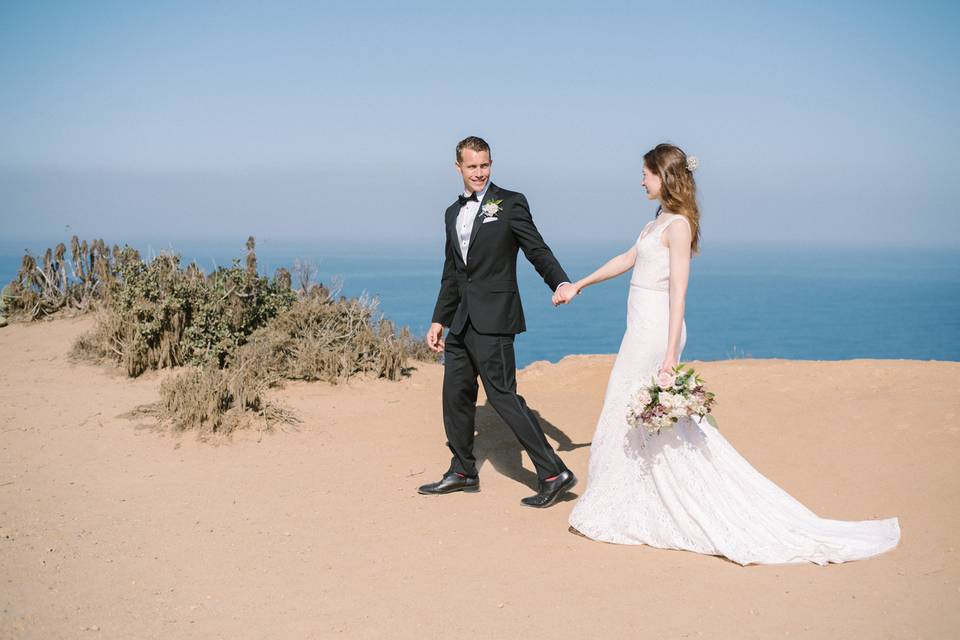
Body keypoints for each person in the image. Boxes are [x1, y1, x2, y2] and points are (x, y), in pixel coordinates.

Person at [555, 143, 900, 564]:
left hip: (656, 333)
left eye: (646, 173)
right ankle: (628, 500)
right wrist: (579, 284)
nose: (641, 180)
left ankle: (624, 505)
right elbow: (628, 258)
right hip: (640, 328)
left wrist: (670, 355)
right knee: (631, 413)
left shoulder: (678, 225)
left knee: (626, 408)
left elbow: (679, 292)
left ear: (663, 177)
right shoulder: (658, 219)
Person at [418, 136, 578, 508]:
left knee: (503, 397)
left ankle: (553, 472)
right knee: (454, 396)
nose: (479, 172)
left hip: (495, 319)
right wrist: (439, 319)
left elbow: (536, 248)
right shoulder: (450, 213)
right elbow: (452, 271)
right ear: (457, 168)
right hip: (460, 321)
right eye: (472, 166)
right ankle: (462, 470)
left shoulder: (510, 203)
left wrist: (560, 281)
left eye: (485, 165)